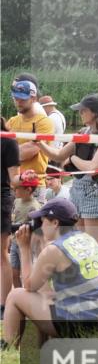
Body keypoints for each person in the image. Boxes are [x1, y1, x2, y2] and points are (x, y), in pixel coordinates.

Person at [2, 198, 98, 348]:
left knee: (15, 295)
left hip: (82, 324)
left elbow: (29, 286)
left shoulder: (54, 249)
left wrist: (24, 249)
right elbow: (44, 290)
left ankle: (8, 346)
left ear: (55, 223)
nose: (40, 226)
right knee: (46, 295)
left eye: (43, 221)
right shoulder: (87, 239)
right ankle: (43, 350)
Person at [8, 79, 54, 182]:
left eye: (22, 99)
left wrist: (8, 153)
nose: (18, 102)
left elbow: (30, 150)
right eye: (16, 98)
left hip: (34, 183)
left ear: (33, 99)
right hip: (14, 182)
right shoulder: (12, 121)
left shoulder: (44, 122)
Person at [1, 117, 19, 309]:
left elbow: (14, 178)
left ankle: (3, 305)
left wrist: (24, 178)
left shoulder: (8, 141)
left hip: (1, 198)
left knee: (1, 254)